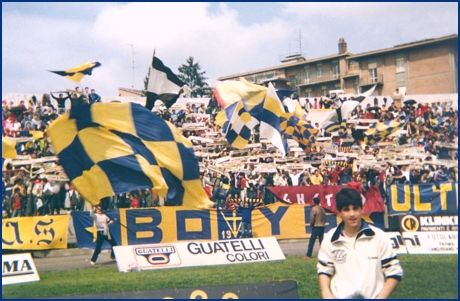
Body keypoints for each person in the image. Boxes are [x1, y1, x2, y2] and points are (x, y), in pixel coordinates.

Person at [317, 188, 403, 299]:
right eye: (346, 210)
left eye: (355, 208)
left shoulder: (379, 236)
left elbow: (394, 272)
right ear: (339, 213)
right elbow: (324, 269)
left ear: (362, 209)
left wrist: (381, 298)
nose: (352, 214)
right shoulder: (330, 238)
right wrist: (326, 292)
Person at [304, 193, 326, 259]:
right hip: (322, 226)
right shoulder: (322, 209)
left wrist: (311, 225)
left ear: (314, 202)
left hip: (316, 226)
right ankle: (324, 254)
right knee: (321, 242)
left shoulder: (313, 209)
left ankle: (308, 255)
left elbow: (312, 218)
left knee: (312, 241)